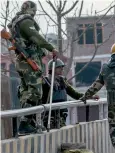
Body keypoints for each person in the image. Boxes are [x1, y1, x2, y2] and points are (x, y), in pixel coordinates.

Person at [8, 1, 59, 136]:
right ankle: (25, 123)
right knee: (36, 91)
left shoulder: (15, 22)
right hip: (28, 61)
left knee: (26, 91)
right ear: (31, 10)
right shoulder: (25, 21)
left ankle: (28, 123)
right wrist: (51, 47)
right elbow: (36, 37)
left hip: (22, 61)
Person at [41, 58, 99, 129]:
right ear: (52, 69)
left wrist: (90, 96)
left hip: (61, 114)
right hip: (50, 115)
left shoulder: (62, 80)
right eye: (59, 67)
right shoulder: (45, 82)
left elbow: (75, 94)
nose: (62, 69)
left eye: (62, 67)